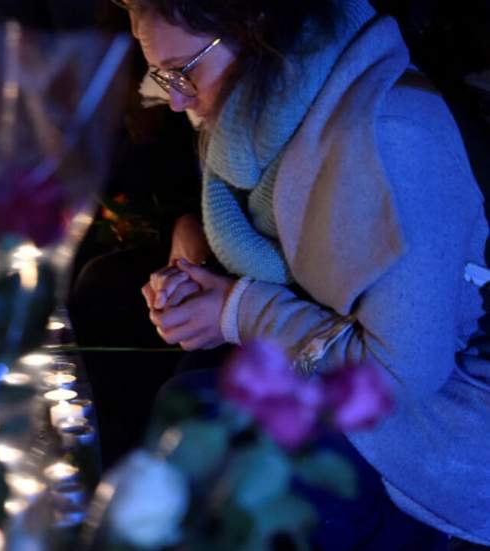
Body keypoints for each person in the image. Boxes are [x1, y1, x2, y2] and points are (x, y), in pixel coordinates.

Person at [115, 0, 490, 548]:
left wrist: (234, 312)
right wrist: (195, 244)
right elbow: (293, 247)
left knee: (205, 426)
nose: (174, 99)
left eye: (183, 70)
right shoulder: (266, 111)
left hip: (440, 438)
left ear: (257, 27)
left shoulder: (391, 136)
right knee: (117, 308)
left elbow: (401, 375)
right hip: (346, 368)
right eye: (162, 74)